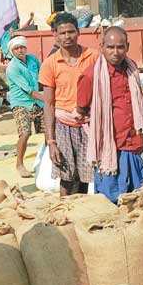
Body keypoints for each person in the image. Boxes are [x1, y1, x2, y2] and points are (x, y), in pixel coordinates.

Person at [77, 27, 143, 203]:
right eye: (110, 47)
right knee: (110, 201)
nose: (115, 52)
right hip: (109, 149)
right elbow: (81, 108)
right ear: (101, 46)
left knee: (136, 199)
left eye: (120, 47)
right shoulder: (91, 75)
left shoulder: (132, 70)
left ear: (127, 47)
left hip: (131, 143)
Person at [40, 12, 98, 196]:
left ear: (78, 32)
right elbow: (48, 104)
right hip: (63, 125)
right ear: (55, 35)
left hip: (88, 124)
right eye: (62, 33)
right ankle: (64, 210)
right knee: (66, 176)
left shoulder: (93, 57)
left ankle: (78, 210)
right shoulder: (50, 64)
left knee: (85, 176)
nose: (67, 37)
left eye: (71, 32)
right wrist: (51, 141)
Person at [5, 36, 44, 178]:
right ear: (12, 51)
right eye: (16, 48)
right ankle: (19, 164)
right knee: (25, 133)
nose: (20, 50)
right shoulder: (12, 68)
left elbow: (43, 76)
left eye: (22, 47)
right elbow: (28, 90)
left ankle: (48, 161)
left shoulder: (33, 60)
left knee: (50, 132)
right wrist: (49, 98)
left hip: (38, 102)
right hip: (21, 103)